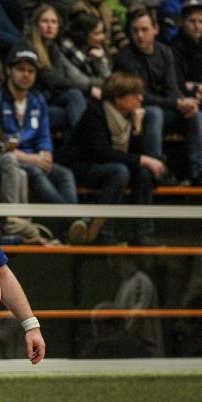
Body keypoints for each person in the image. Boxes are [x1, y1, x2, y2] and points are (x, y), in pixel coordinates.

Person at [60, 73, 165, 245]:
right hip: (82, 166)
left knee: (144, 173)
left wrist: (137, 129)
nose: (140, 98)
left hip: (110, 166)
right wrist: (142, 159)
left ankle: (143, 233)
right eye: (134, 95)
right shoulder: (95, 113)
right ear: (118, 99)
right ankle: (103, 232)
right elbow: (101, 153)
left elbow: (134, 153)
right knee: (120, 170)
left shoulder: (130, 117)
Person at [114, 6, 202, 186]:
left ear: (156, 29)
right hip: (133, 112)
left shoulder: (164, 52)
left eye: (144, 30)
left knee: (195, 114)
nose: (139, 35)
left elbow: (172, 89)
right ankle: (158, 170)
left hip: (165, 107)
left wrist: (185, 103)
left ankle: (197, 172)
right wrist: (177, 103)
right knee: (154, 112)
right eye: (135, 30)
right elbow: (140, 96)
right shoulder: (125, 57)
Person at [0, 45, 77, 204]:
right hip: (12, 158)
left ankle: (71, 222)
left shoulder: (38, 101)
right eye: (20, 69)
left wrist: (46, 153)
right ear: (9, 70)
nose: (26, 75)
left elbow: (44, 135)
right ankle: (71, 220)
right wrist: (30, 158)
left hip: (36, 157)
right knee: (35, 172)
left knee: (65, 175)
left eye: (31, 71)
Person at [27, 4, 88, 131]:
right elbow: (51, 79)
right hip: (32, 106)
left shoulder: (52, 47)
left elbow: (60, 78)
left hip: (51, 98)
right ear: (36, 24)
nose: (50, 26)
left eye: (54, 22)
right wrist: (89, 88)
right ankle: (86, 147)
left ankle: (83, 147)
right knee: (72, 112)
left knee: (76, 97)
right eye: (45, 21)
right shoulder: (27, 47)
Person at [170, 0, 202, 102]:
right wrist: (196, 87)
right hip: (186, 100)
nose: (197, 26)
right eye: (192, 21)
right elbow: (177, 82)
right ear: (182, 22)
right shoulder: (174, 47)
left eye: (201, 21)